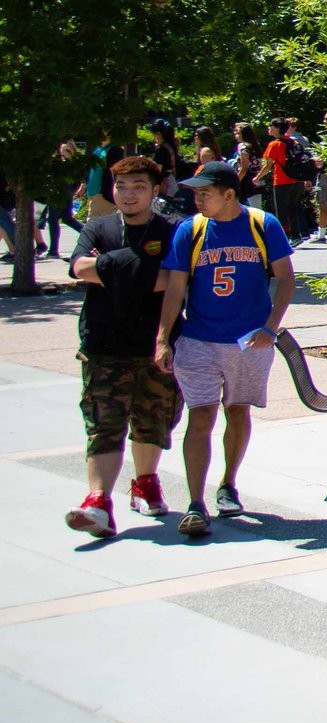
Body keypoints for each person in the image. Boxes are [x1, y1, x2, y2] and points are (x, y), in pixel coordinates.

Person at [155, 160, 296, 539]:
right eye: (195, 193)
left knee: (237, 411)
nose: (197, 199)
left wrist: (271, 327)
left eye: (205, 193)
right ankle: (195, 503)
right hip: (199, 339)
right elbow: (174, 287)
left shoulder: (262, 224)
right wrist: (163, 337)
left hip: (248, 341)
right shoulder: (191, 230)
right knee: (199, 416)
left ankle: (228, 483)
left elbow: (285, 278)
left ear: (229, 194)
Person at [66, 156, 184, 536]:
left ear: (155, 190)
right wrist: (141, 269)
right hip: (103, 343)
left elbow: (175, 280)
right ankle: (98, 501)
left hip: (156, 344)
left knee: (153, 419)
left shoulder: (173, 230)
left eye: (138, 187)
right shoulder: (98, 227)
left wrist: (109, 268)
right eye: (121, 186)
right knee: (103, 423)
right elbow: (78, 268)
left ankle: (145, 482)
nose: (128, 194)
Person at [262, 118, 307, 234]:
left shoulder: (274, 144)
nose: (269, 128)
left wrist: (257, 178)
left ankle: (284, 236)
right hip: (296, 180)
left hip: (281, 181)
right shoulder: (293, 142)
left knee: (281, 211)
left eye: (271, 126)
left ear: (277, 128)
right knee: (293, 208)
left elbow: (268, 166)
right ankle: (296, 235)